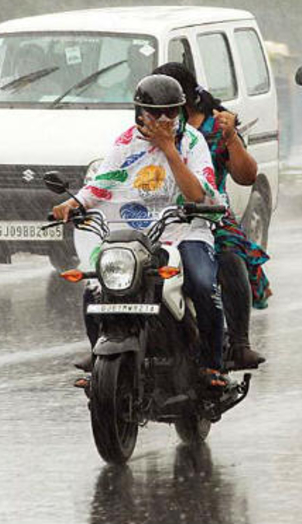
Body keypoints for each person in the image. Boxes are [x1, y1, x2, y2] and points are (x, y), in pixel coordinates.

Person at [53, 74, 229, 390]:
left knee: (203, 284)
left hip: (183, 229)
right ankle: (99, 358)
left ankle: (212, 364)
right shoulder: (124, 143)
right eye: (154, 113)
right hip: (133, 236)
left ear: (181, 112)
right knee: (94, 287)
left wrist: (168, 149)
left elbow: (197, 194)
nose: (163, 120)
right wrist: (73, 203)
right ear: (139, 112)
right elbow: (102, 183)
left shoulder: (192, 142)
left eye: (171, 113)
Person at [154, 62, 269, 369]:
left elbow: (247, 176)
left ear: (184, 99)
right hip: (155, 214)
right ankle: (106, 338)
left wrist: (231, 138)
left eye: (168, 102)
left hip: (208, 213)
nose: (160, 112)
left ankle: (239, 344)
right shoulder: (147, 127)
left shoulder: (213, 129)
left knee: (230, 258)